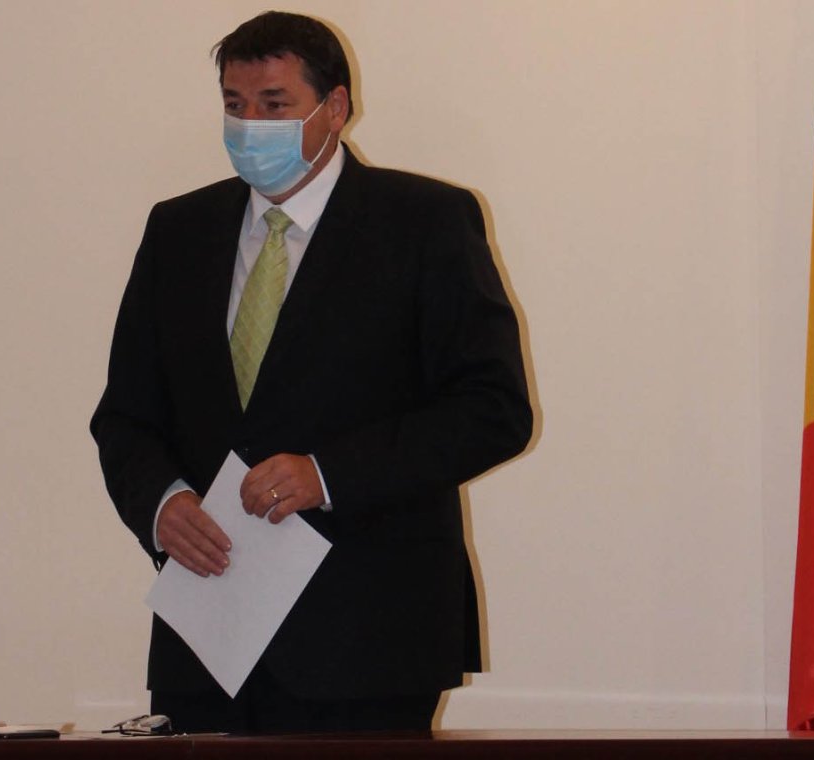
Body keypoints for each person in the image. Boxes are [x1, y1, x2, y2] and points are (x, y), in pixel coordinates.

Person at [90, 10, 532, 734]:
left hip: (370, 637)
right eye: (235, 105)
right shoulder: (178, 230)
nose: (249, 126)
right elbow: (126, 416)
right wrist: (162, 504)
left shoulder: (425, 222)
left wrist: (328, 474)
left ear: (336, 106)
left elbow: (493, 409)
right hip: (208, 632)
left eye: (274, 105)